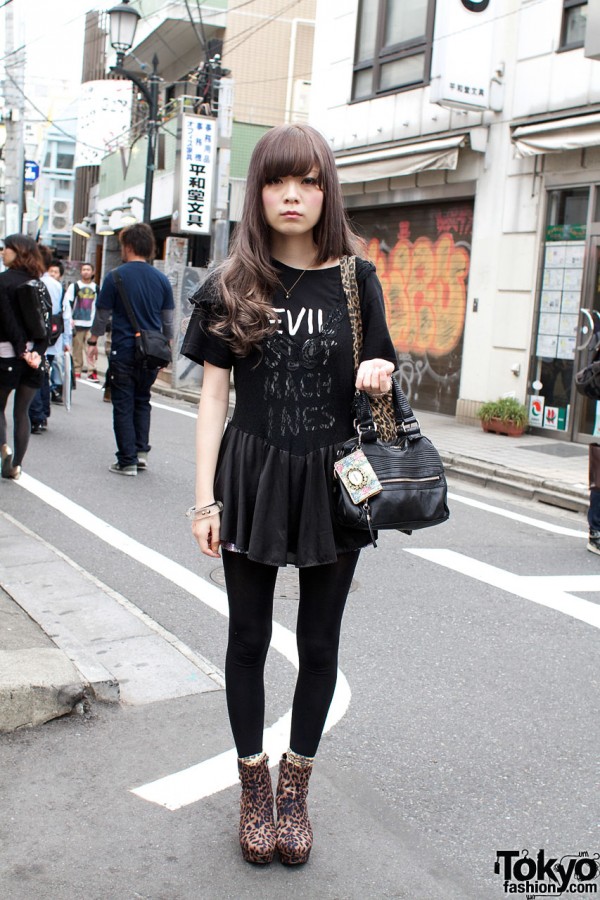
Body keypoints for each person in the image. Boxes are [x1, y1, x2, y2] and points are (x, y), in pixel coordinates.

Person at [181, 123, 396, 866]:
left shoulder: (355, 278)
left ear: (326, 188)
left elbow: (381, 365)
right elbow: (212, 398)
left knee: (319, 643)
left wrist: (378, 373)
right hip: (252, 475)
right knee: (245, 638)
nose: (293, 195)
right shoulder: (232, 283)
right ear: (259, 192)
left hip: (335, 479)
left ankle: (296, 789)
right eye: (278, 181)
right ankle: (253, 787)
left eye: (307, 180)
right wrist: (204, 499)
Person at [87, 223, 174, 475]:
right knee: (142, 399)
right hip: (151, 352)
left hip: (124, 350)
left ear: (128, 246)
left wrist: (93, 342)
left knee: (123, 402)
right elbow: (168, 321)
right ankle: (140, 452)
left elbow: (102, 317)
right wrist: (165, 348)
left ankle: (126, 460)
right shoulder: (162, 279)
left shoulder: (115, 277)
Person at [0, 234, 49, 479]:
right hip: (34, 360)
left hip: (6, 356)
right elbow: (49, 324)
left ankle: (3, 448)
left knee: (0, 407)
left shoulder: (3, 282)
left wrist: (20, 350)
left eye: (6, 249)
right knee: (23, 412)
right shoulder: (39, 284)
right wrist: (36, 353)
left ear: (17, 252)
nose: (2, 252)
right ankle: (16, 465)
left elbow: (7, 321)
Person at [28, 248, 72, 431]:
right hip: (53, 338)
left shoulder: (33, 283)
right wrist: (66, 339)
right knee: (44, 373)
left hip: (35, 338)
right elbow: (66, 314)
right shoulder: (56, 285)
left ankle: (37, 416)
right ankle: (44, 413)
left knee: (34, 375)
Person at [65, 262, 97, 380]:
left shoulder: (96, 288)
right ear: (80, 272)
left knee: (90, 348)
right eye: (84, 269)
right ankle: (77, 370)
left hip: (91, 323)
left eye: (88, 269)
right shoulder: (75, 286)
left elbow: (98, 306)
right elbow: (68, 303)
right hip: (77, 323)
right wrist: (70, 319)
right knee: (77, 348)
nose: (86, 272)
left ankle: (91, 371)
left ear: (93, 272)